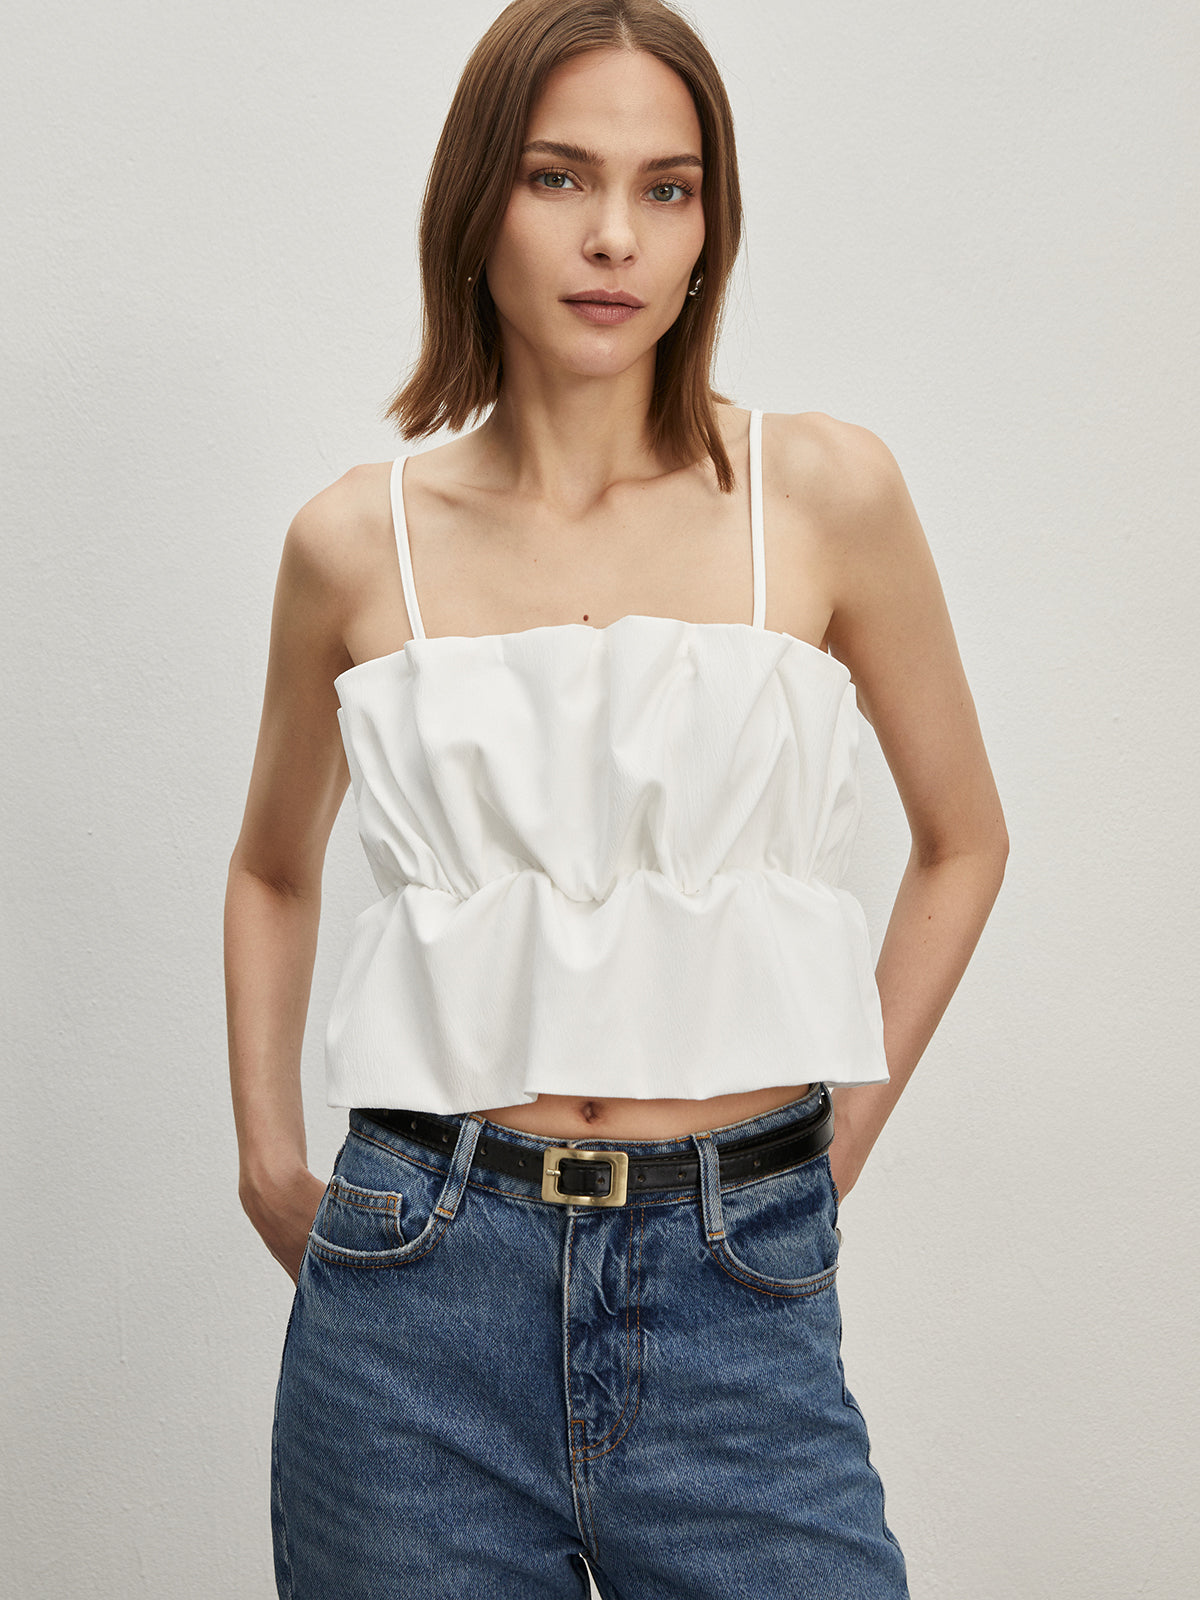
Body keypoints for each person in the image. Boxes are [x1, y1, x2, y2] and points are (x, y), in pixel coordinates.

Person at [224, 2, 1008, 1595]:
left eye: (669, 188)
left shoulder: (821, 495)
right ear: (477, 204)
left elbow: (966, 840)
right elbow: (272, 870)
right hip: (416, 1290)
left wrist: (822, 1154)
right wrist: (267, 1165)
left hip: (736, 1279)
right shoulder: (355, 543)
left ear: (712, 226)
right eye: (559, 176)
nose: (614, 238)